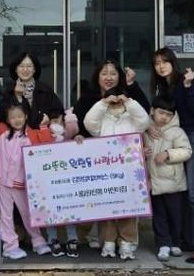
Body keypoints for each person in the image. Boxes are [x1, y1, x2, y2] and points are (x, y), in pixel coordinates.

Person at [150, 47, 194, 264]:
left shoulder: (184, 81)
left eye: (165, 61)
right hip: (174, 139)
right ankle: (190, 240)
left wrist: (188, 87)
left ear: (173, 62)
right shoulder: (162, 87)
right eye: (157, 63)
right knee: (184, 193)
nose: (161, 66)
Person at [83, 62, 150, 260]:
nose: (116, 104)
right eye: (113, 102)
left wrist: (129, 102)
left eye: (118, 101)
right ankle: (108, 241)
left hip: (130, 171)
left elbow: (144, 120)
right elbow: (89, 123)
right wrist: (103, 103)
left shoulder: (131, 117)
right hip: (107, 171)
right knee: (108, 208)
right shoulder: (102, 118)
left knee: (129, 208)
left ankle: (127, 243)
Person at [0, 101, 52, 260]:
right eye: (13, 117)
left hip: (23, 184)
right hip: (4, 183)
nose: (17, 120)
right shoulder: (3, 135)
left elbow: (46, 146)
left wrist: (44, 126)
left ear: (26, 116)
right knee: (6, 216)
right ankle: (10, 246)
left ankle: (38, 241)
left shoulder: (32, 135)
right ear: (7, 119)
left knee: (28, 214)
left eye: (19, 116)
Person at [143, 97, 192, 262]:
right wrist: (142, 152)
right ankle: (163, 244)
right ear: (152, 111)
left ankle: (175, 242)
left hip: (173, 183)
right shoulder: (145, 130)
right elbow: (133, 148)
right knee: (159, 216)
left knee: (175, 215)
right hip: (154, 182)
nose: (164, 117)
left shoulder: (177, 131)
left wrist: (168, 154)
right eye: (161, 113)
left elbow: (187, 151)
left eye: (169, 114)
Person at [73, 58, 150, 138]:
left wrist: (130, 84)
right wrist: (79, 135)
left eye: (113, 74)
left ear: (119, 76)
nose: (109, 78)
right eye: (104, 74)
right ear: (97, 77)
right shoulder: (88, 97)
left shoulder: (126, 95)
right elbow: (80, 122)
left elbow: (144, 113)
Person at [44, 109, 83, 258]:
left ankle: (72, 238)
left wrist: (77, 138)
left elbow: (77, 151)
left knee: (69, 209)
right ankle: (52, 238)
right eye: (55, 121)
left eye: (61, 122)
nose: (58, 125)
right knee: (49, 210)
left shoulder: (69, 141)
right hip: (48, 182)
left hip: (66, 183)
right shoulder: (44, 138)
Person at [0, 52, 64, 130]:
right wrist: (18, 97)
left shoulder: (45, 89)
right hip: (17, 135)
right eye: (21, 66)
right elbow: (3, 116)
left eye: (29, 66)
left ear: (34, 69)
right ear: (16, 69)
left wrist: (50, 119)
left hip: (42, 134)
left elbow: (58, 111)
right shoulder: (9, 91)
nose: (25, 70)